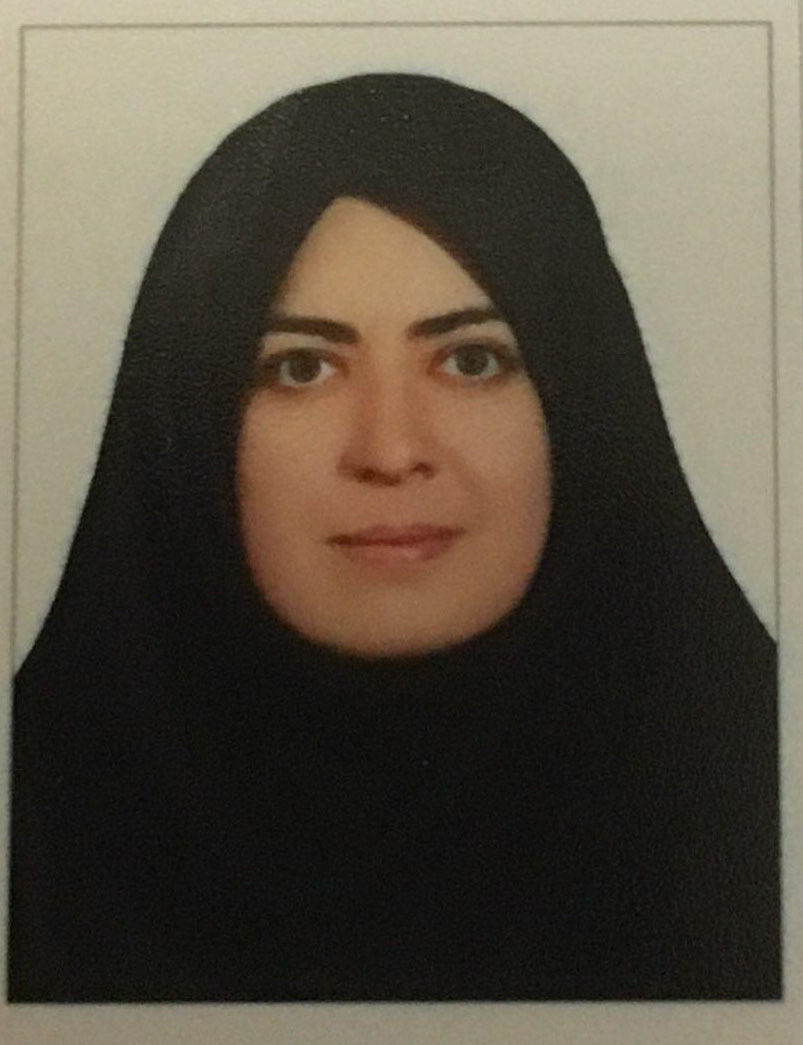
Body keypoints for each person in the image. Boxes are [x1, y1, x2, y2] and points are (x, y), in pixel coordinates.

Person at [8, 72, 779, 1002]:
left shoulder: (760, 790)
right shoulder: (32, 814)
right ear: (186, 422)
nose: (389, 450)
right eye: (300, 368)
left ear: (585, 399)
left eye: (471, 360)